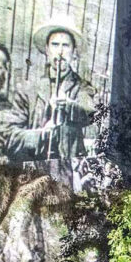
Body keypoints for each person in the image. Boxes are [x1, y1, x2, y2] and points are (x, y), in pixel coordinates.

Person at [27, 20, 98, 163]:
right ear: (47, 50)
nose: (60, 51)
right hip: (34, 158)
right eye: (55, 45)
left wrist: (69, 104)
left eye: (65, 46)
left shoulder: (83, 86)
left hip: (68, 160)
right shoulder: (32, 87)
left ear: (73, 52)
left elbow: (90, 113)